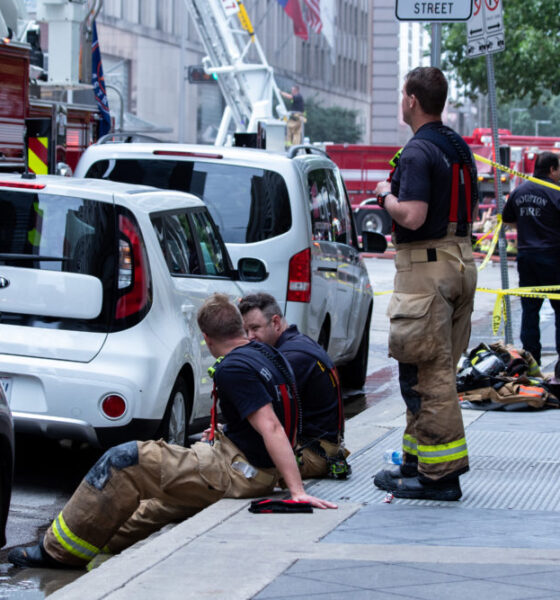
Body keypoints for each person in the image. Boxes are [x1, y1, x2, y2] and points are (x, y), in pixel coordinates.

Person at [9, 294, 336, 569]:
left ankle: (56, 553)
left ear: (205, 338)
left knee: (125, 460)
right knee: (153, 507)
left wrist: (296, 492)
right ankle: (95, 552)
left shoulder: (234, 368)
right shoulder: (267, 353)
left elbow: (272, 426)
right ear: (240, 328)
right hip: (248, 467)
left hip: (237, 471)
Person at [372, 67, 478, 501]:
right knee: (428, 370)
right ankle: (417, 465)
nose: (401, 101)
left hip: (426, 269)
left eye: (402, 95)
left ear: (412, 100)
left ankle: (440, 478)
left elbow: (412, 215)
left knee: (427, 376)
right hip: (460, 261)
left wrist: (385, 196)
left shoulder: (417, 152)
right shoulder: (458, 146)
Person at [238, 293, 349, 480]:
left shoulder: (292, 359)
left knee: (233, 465)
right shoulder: (298, 344)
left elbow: (269, 423)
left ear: (275, 323)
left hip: (315, 453)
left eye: (255, 328)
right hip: (321, 446)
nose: (249, 337)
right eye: (245, 330)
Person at [502, 151, 560, 367]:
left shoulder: (520, 191)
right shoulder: (555, 191)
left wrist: (528, 227)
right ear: (552, 169)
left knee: (530, 311)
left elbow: (508, 218)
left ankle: (531, 360)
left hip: (527, 258)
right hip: (552, 257)